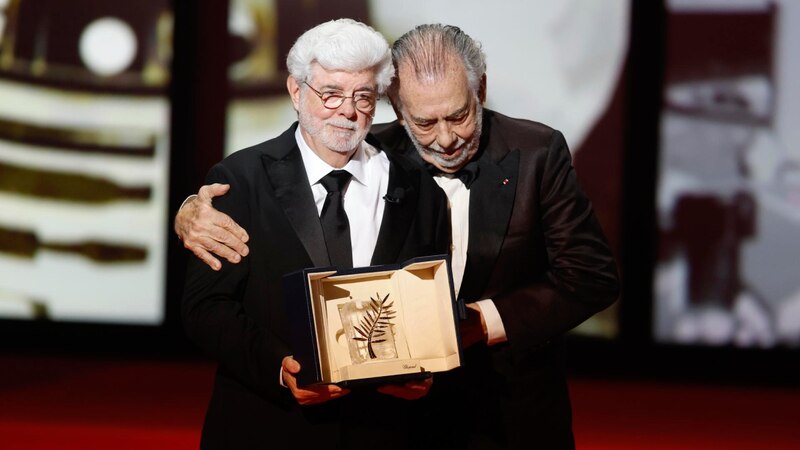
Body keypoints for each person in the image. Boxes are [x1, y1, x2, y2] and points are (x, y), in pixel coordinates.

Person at [178, 24, 620, 450]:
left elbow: (592, 276)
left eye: (460, 116)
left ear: (480, 90)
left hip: (505, 406)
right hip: (400, 420)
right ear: (396, 106)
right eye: (424, 123)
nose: (446, 139)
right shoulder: (370, 149)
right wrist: (187, 212)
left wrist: (478, 323)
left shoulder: (537, 153)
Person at [181, 19, 450, 449]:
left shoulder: (417, 187)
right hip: (269, 425)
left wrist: (425, 367)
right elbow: (206, 308)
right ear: (295, 92)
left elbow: (430, 298)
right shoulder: (240, 179)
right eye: (331, 94)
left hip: (384, 428)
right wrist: (277, 368)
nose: (347, 110)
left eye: (363, 96)